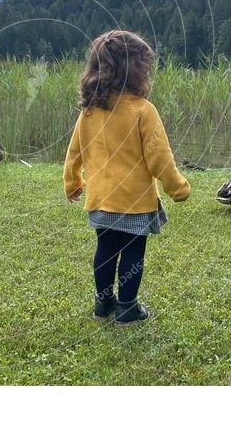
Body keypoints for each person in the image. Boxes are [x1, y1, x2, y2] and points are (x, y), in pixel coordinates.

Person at [63, 30, 190, 326]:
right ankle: (128, 308)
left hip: (100, 199)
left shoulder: (90, 112)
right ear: (136, 70)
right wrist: (178, 188)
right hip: (134, 201)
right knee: (133, 252)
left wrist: (72, 183)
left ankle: (102, 303)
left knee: (105, 250)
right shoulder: (143, 111)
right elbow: (160, 159)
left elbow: (74, 153)